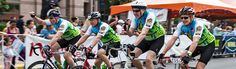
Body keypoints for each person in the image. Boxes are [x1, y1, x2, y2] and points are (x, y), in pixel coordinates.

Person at [127, 1, 166, 69]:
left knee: (148, 59)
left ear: (143, 10)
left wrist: (134, 45)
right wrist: (127, 28)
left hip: (157, 38)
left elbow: (144, 33)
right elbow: (130, 34)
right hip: (147, 38)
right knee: (132, 56)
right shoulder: (135, 18)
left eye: (137, 11)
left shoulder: (150, 16)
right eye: (133, 11)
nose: (135, 13)